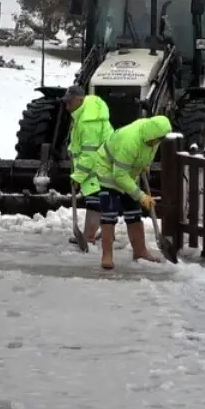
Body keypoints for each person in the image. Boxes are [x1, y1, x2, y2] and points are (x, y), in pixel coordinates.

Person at [94, 115, 172, 270]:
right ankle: (107, 256)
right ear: (149, 135)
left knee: (134, 213)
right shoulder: (129, 141)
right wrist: (140, 195)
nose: (156, 143)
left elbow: (147, 152)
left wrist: (145, 165)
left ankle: (140, 251)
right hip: (108, 170)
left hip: (127, 172)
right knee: (109, 214)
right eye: (155, 140)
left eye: (159, 140)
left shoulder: (154, 137)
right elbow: (119, 175)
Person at [64, 85, 113, 246]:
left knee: (95, 200)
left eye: (69, 103)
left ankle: (89, 236)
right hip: (98, 164)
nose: (67, 107)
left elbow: (89, 153)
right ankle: (94, 234)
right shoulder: (84, 115)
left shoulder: (89, 121)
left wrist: (78, 176)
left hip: (100, 165)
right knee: (97, 200)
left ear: (79, 100)